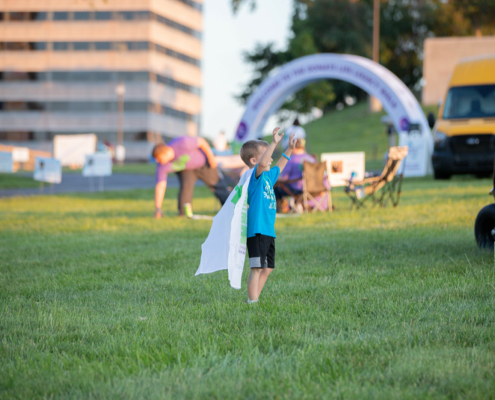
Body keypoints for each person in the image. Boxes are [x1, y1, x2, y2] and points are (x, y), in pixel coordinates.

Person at [239, 127, 296, 304]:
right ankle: (252, 301)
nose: (270, 157)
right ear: (254, 160)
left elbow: (278, 166)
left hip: (268, 231)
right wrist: (273, 142)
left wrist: (289, 150)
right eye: (267, 154)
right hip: (257, 230)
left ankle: (256, 297)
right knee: (256, 267)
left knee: (268, 267)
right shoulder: (254, 177)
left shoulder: (267, 178)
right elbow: (263, 164)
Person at [152, 136, 230, 218]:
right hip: (187, 171)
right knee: (186, 190)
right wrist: (158, 208)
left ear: (165, 152)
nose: (157, 161)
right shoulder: (161, 165)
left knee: (218, 185)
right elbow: (160, 186)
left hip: (204, 164)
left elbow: (201, 142)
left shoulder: (181, 143)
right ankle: (184, 214)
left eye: (158, 158)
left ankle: (231, 208)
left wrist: (211, 158)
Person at [275, 138, 316, 209]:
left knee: (276, 188)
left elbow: (285, 178)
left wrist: (274, 178)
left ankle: (279, 209)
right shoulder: (312, 159)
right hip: (313, 188)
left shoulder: (291, 159)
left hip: (296, 188)